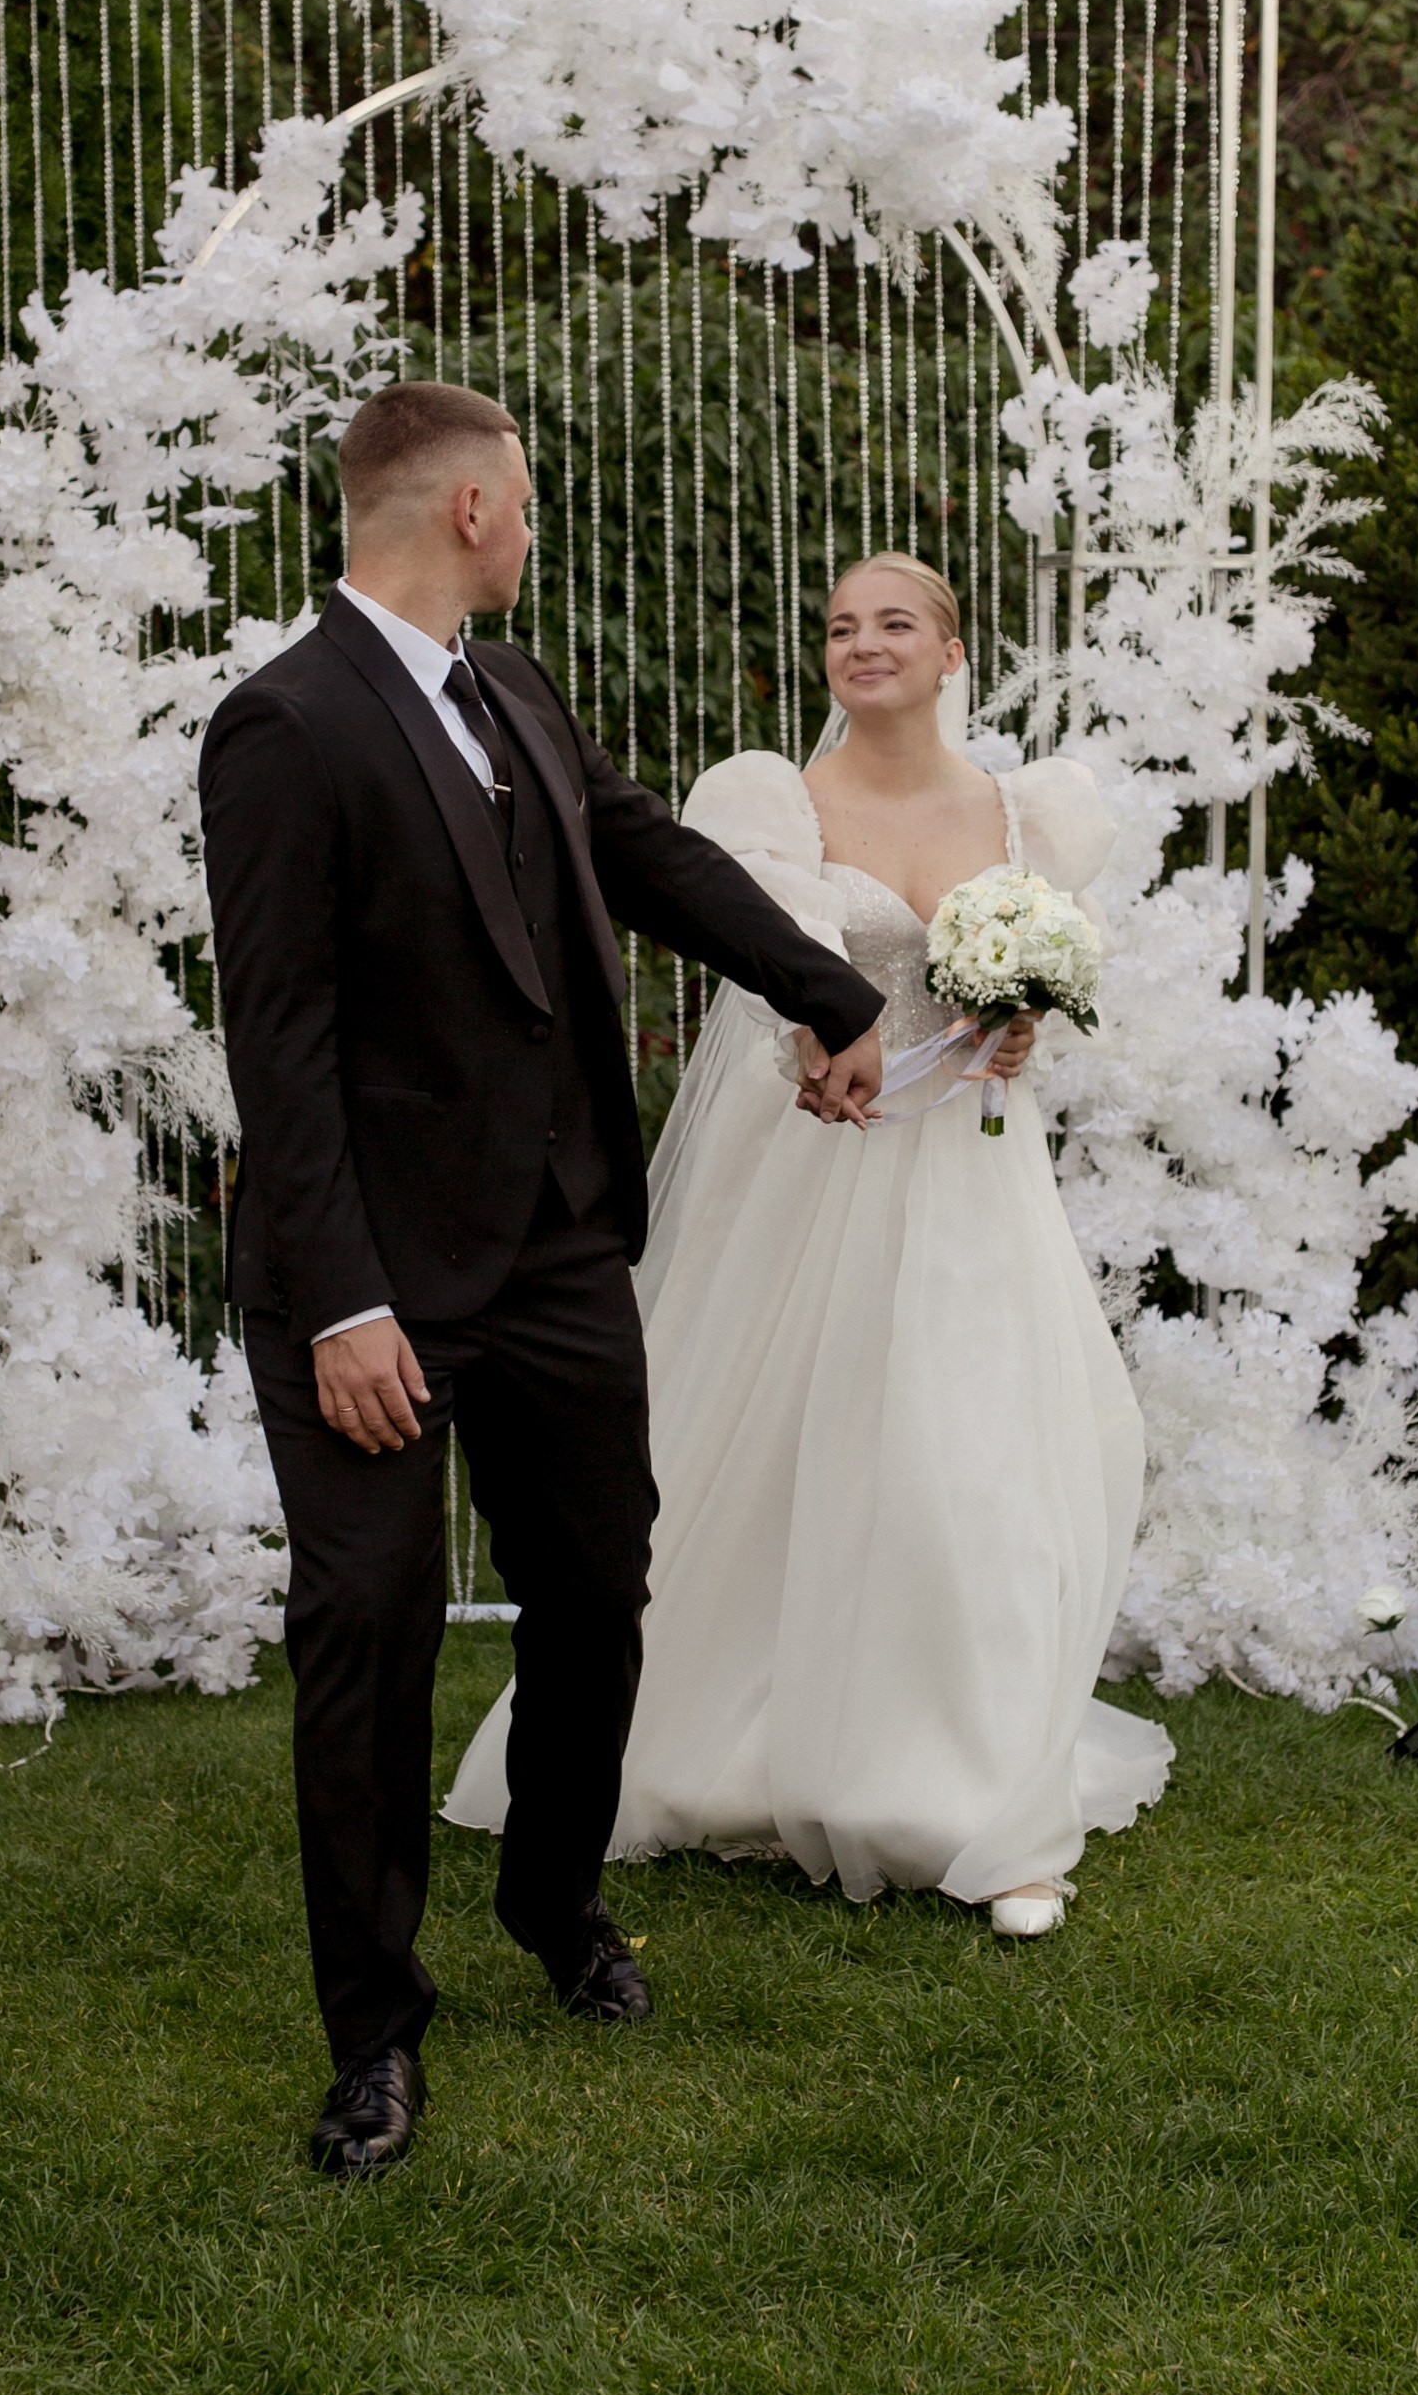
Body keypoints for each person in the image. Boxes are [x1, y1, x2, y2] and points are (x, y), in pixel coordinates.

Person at [198, 382, 886, 2179]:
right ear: (475, 512)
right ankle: (373, 2034)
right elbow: (277, 1038)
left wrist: (827, 986)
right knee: (371, 1630)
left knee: (597, 1587)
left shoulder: (512, 690)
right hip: (366, 1283)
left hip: (560, 1241)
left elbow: (642, 851)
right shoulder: (282, 725)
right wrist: (343, 1303)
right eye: (528, 498)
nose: (534, 522)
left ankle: (552, 1904)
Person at [448, 549, 1172, 1931]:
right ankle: (705, 1751)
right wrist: (803, 1023)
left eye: (894, 623)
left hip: (964, 1180)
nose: (862, 644)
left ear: (952, 653)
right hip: (806, 1161)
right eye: (840, 626)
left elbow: (1047, 981)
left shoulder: (1034, 816)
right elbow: (752, 953)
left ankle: (965, 1797)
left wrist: (1022, 1021)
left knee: (966, 1463)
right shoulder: (768, 801)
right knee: (770, 1442)